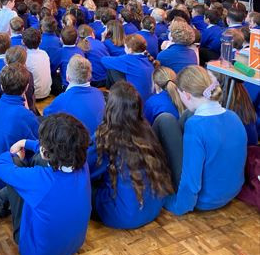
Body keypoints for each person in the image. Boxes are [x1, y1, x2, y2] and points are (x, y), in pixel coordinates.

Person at [0, 114, 91, 255]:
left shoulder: (39, 179)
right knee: (36, 167)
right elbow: (51, 152)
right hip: (74, 246)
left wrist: (13, 154)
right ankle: (0, 197)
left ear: (46, 151)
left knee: (16, 168)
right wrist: (27, 143)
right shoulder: (82, 163)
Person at [153, 66, 247, 214]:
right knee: (187, 115)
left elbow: (191, 182)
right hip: (231, 191)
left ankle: (151, 171)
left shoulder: (195, 127)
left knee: (165, 119)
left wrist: (176, 205)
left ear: (187, 95)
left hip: (205, 200)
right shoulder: (233, 116)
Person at [88, 81, 173, 229]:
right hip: (153, 206)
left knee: (82, 186)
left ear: (110, 108)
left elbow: (86, 170)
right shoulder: (146, 129)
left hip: (123, 215)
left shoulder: (105, 136)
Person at [0, 63, 39, 187]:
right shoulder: (26, 116)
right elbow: (38, 146)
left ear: (1, 86)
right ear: (27, 87)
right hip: (6, 179)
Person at [43, 55, 105, 135]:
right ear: (89, 76)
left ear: (67, 77)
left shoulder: (62, 99)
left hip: (78, 144)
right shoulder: (99, 93)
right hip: (99, 141)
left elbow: (46, 114)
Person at [102, 34, 156, 102]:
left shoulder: (128, 59)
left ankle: (111, 93)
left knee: (112, 68)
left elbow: (104, 60)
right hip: (149, 97)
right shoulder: (148, 58)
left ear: (130, 50)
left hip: (136, 101)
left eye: (125, 47)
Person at [51, 26, 84, 91]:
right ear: (77, 39)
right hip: (79, 83)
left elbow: (52, 69)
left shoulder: (60, 52)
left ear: (61, 39)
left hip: (66, 86)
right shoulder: (80, 51)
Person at [22, 27, 52, 100]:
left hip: (34, 95)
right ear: (40, 41)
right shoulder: (44, 53)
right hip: (46, 92)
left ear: (23, 42)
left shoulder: (25, 58)